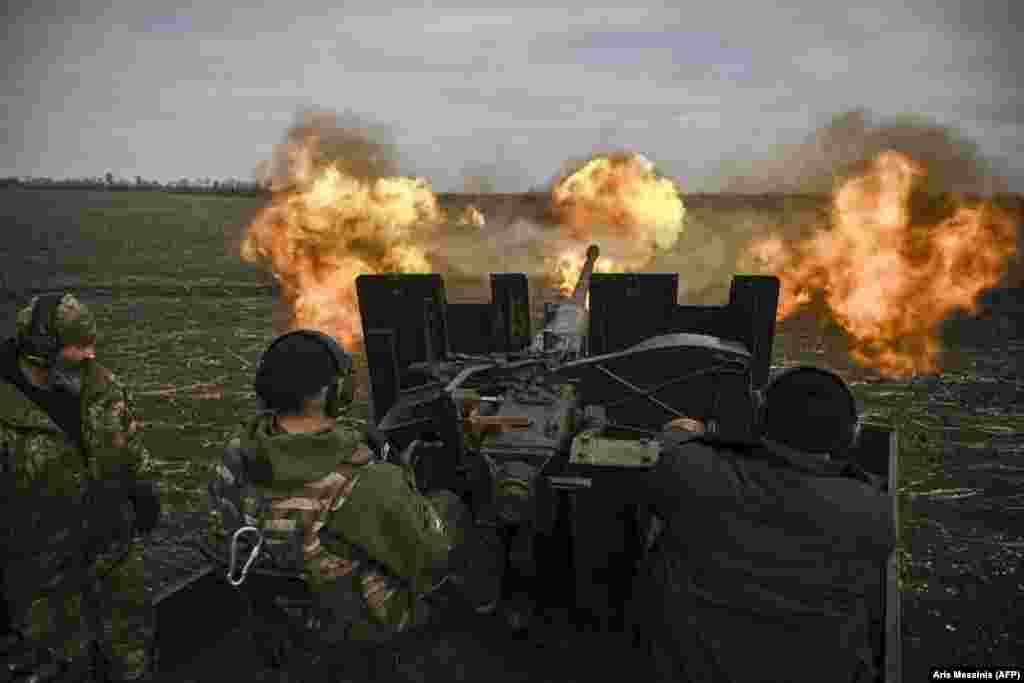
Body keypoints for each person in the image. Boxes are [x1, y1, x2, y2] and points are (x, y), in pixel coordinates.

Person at [206, 329, 502, 652]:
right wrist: (404, 482)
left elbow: (221, 534)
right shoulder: (369, 483)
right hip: (360, 621)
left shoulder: (236, 452)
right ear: (334, 393)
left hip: (282, 608)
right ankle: (482, 605)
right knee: (449, 506)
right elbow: (429, 563)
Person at [638, 367, 894, 683]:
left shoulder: (694, 470)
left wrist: (684, 428)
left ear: (760, 417)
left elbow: (669, 447)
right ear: (849, 436)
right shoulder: (872, 510)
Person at [0, 292, 160, 677]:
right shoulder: (8, 413)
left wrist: (145, 496)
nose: (91, 355)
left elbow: (131, 450)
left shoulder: (102, 388)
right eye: (79, 346)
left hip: (114, 559)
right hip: (41, 576)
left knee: (132, 656)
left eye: (92, 344)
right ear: (40, 350)